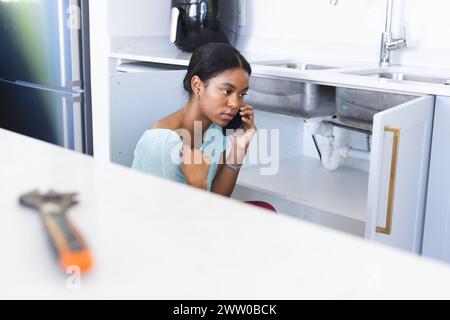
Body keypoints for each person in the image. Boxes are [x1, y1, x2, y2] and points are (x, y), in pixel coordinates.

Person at [132, 43, 256, 197]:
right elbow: (166, 219)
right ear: (197, 87)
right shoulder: (161, 144)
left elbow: (219, 200)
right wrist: (197, 186)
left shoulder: (215, 131)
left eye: (242, 94)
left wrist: (239, 150)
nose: (236, 104)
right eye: (226, 91)